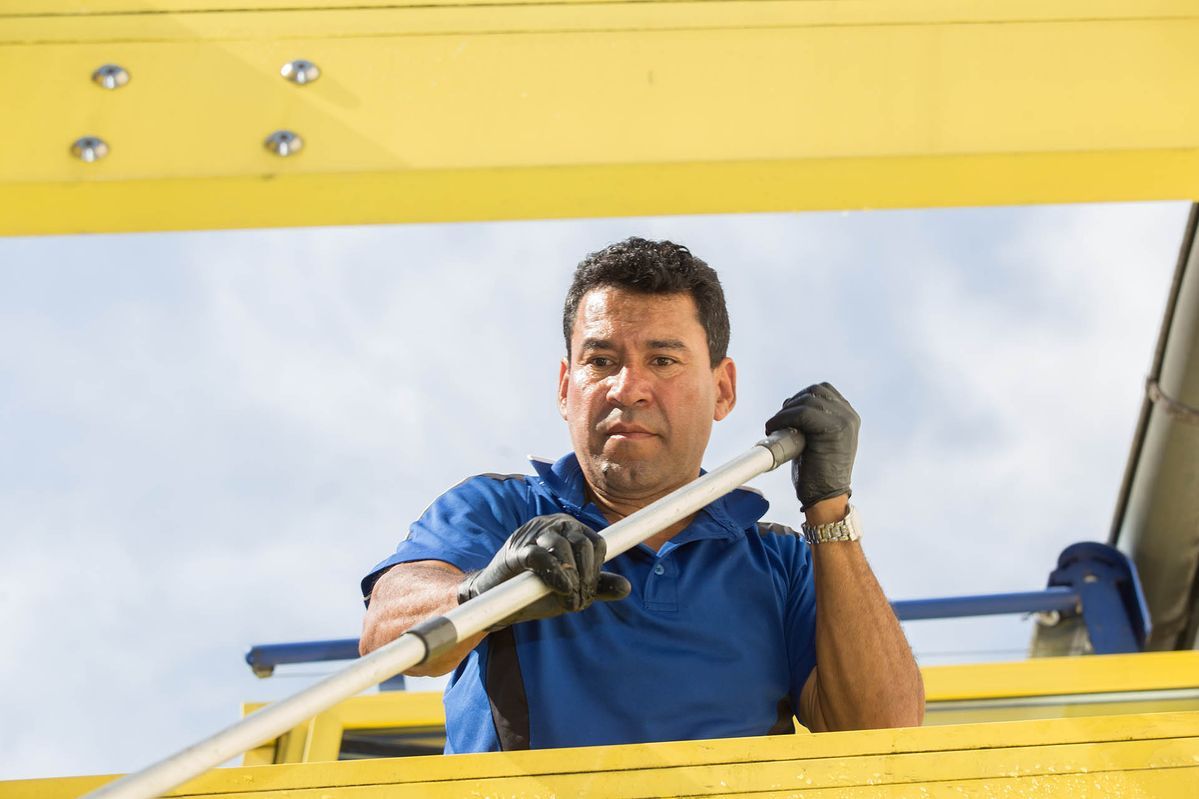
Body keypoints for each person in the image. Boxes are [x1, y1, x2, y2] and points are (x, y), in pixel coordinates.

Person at [360, 237, 924, 753]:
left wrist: (829, 510)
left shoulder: (782, 561)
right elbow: (385, 634)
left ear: (722, 389)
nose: (628, 388)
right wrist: (482, 592)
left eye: (663, 360)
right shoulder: (497, 511)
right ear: (565, 387)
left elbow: (885, 736)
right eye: (601, 361)